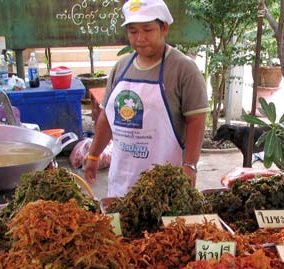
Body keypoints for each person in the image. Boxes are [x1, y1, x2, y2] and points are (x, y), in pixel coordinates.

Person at [84, 0, 210, 197]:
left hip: (165, 182)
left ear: (164, 28)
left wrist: (190, 165)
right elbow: (107, 118)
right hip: (122, 179)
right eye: (133, 31)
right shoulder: (121, 67)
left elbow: (196, 120)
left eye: (147, 29)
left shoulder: (183, 68)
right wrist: (93, 155)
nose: (140, 38)